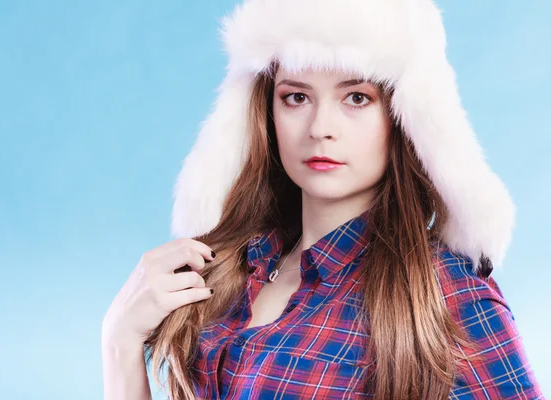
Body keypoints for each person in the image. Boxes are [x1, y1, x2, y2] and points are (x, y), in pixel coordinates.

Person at [101, 0, 546, 399]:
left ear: (403, 115)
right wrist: (119, 342)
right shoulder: (231, 268)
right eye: (296, 97)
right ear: (266, 112)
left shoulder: (442, 289)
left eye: (356, 97)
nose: (320, 128)